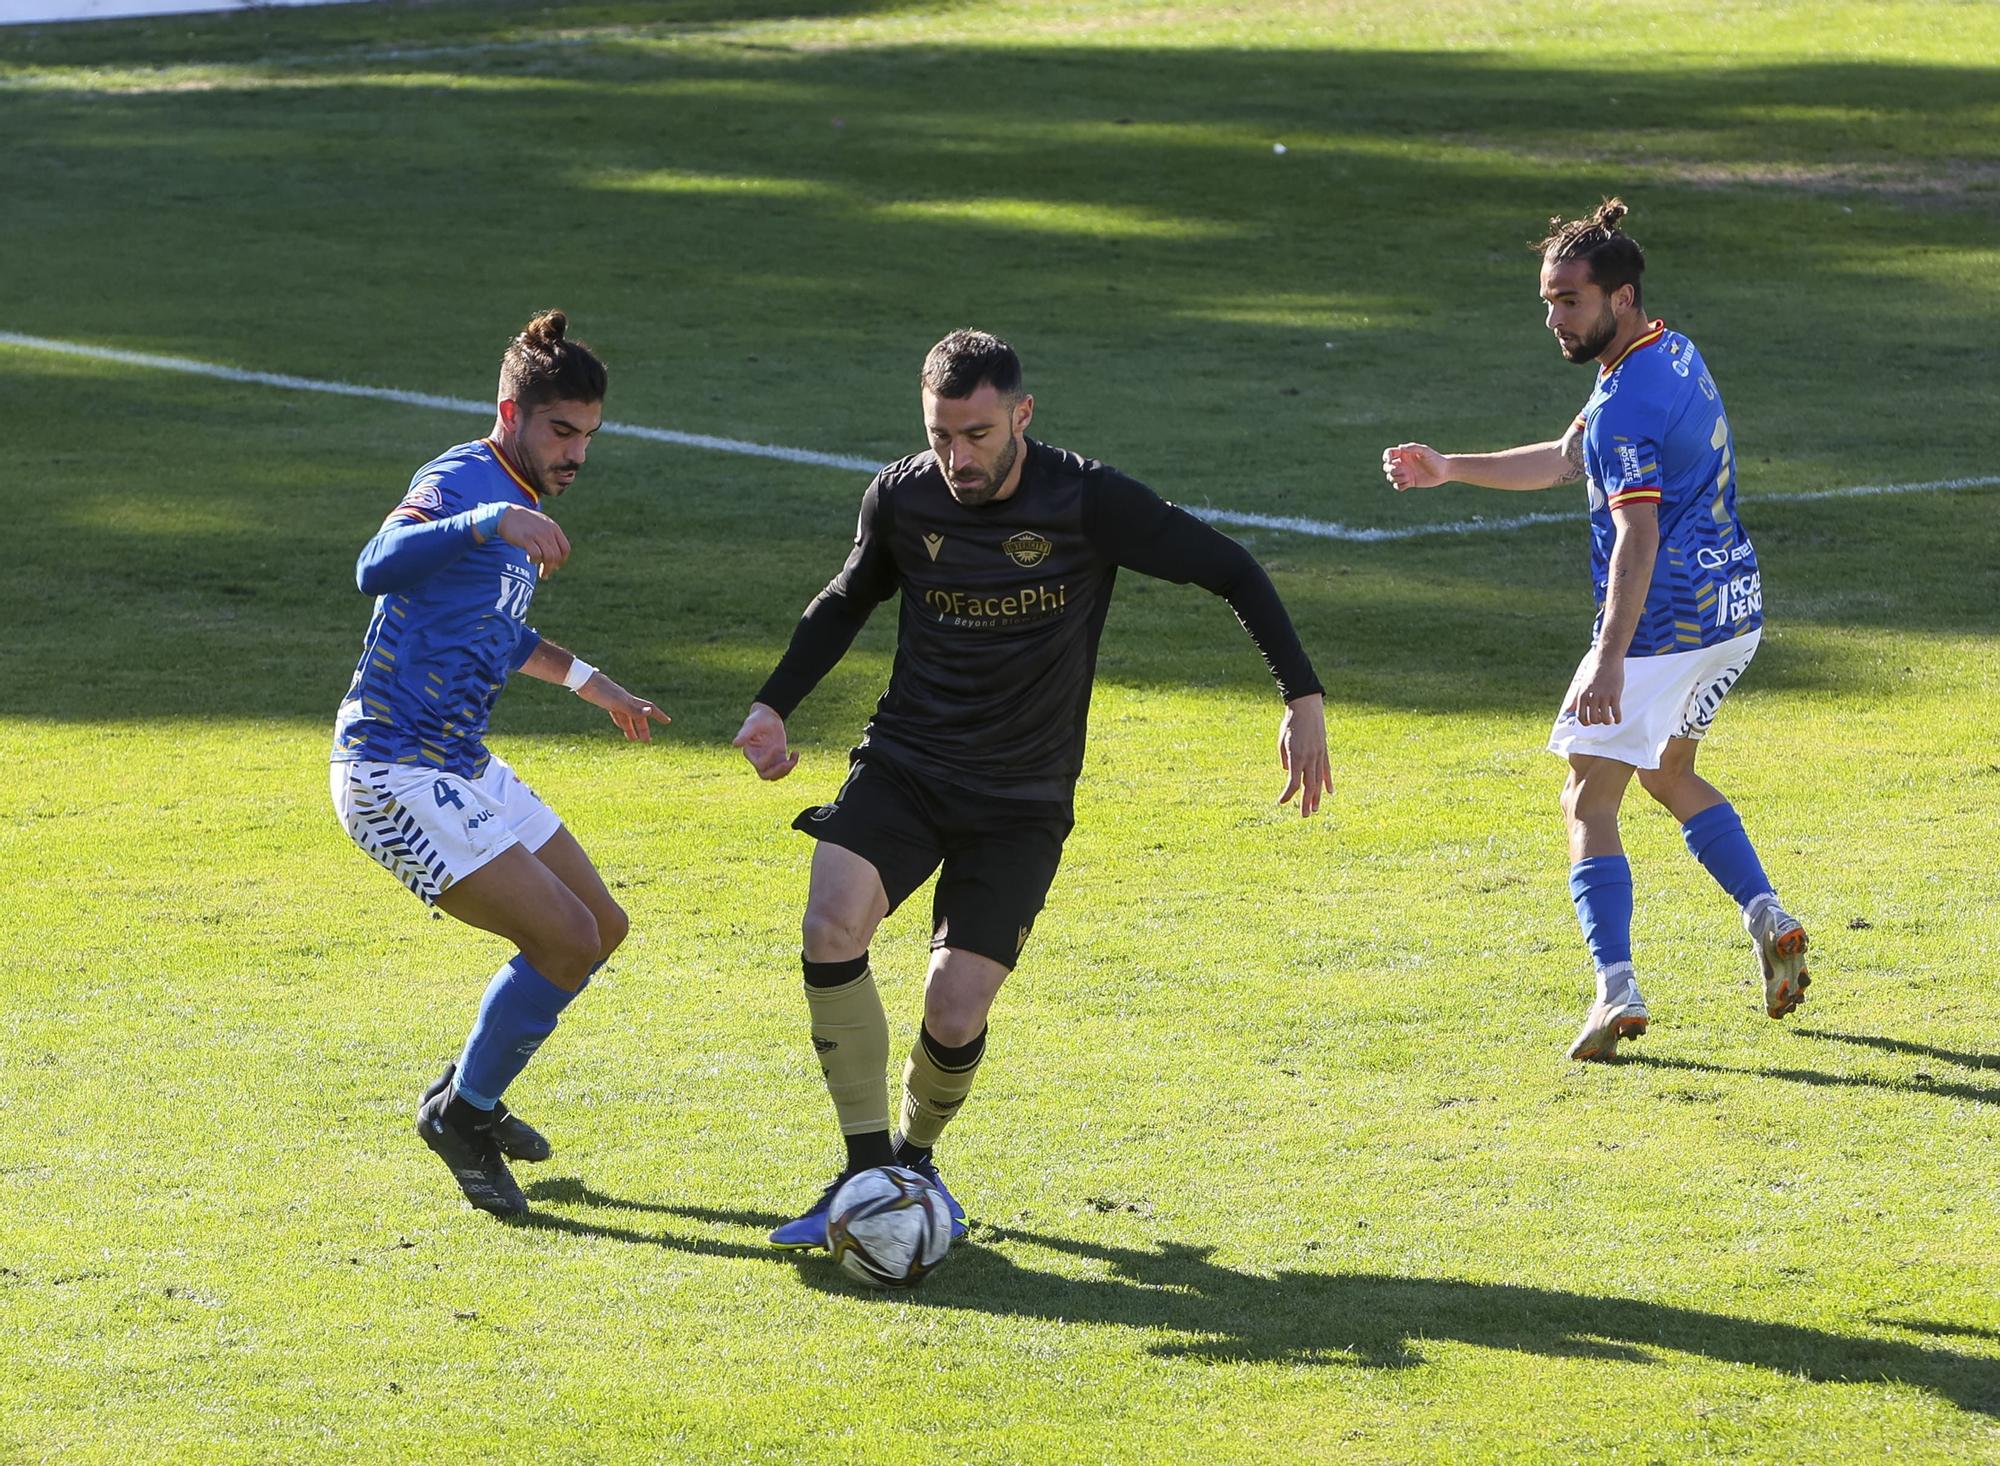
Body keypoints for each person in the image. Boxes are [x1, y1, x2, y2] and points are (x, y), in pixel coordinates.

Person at [734, 328, 1332, 1248]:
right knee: (830, 921)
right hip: (908, 762)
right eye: (940, 435)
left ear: (1021, 415)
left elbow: (1231, 569)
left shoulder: (1088, 501)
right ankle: (862, 1174)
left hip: (1021, 797)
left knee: (954, 1005)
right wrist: (775, 705)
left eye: (975, 434)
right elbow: (849, 596)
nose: (956, 457)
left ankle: (916, 1159)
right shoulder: (902, 497)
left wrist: (1302, 696)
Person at [1381, 199, 1811, 1062]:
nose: (1552, 318)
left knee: (1588, 796)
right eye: (1547, 300)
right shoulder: (1668, 353)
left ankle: (1615, 989)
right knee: (1670, 771)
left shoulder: (1626, 405)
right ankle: (1770, 917)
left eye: (1567, 301)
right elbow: (1568, 454)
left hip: (1662, 628)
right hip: (1732, 614)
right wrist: (1450, 469)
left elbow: (1637, 535)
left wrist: (1609, 660)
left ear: (1618, 295)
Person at [329, 310, 669, 1216]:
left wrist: (598, 687)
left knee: (601, 925)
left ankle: (467, 1093)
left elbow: (497, 634)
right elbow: (374, 566)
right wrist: (488, 518)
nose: (576, 456)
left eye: (589, 437)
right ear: (512, 411)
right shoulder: (465, 480)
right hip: (391, 769)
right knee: (559, 939)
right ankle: (462, 1117)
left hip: (460, 761)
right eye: (562, 431)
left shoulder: (519, 502)